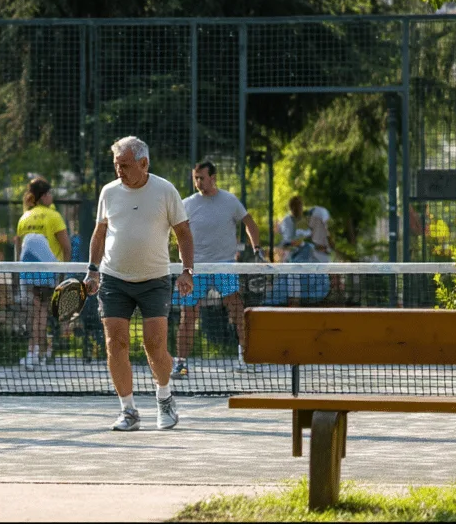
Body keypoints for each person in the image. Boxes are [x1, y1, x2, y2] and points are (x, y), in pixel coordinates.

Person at [85, 136, 194, 432]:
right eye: (116, 165)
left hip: (155, 280)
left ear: (143, 163)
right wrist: (93, 270)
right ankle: (128, 410)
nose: (118, 170)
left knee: (154, 345)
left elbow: (183, 233)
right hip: (113, 279)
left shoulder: (165, 190)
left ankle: (164, 397)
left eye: (124, 165)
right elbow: (99, 233)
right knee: (115, 343)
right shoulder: (108, 192)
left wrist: (187, 271)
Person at [174, 161, 264, 377]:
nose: (198, 182)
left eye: (202, 178)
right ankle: (181, 364)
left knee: (237, 310)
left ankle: (246, 358)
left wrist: (257, 249)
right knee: (188, 315)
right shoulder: (187, 204)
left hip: (225, 265)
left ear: (213, 178)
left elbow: (250, 223)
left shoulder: (230, 201)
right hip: (195, 268)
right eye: (195, 178)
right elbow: (177, 232)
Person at [15, 177, 71, 370]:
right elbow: (66, 247)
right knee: (41, 313)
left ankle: (37, 352)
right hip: (47, 272)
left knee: (36, 313)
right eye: (50, 193)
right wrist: (64, 274)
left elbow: (18, 249)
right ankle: (36, 352)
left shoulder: (24, 218)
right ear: (45, 195)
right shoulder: (54, 217)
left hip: (27, 273)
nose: (52, 197)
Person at [273, 196, 330, 305]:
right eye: (296, 206)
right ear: (291, 207)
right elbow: (287, 242)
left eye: (300, 206)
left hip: (308, 256)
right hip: (293, 258)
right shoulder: (287, 221)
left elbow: (313, 239)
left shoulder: (306, 220)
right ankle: (294, 303)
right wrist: (298, 243)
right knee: (293, 277)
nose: (299, 208)